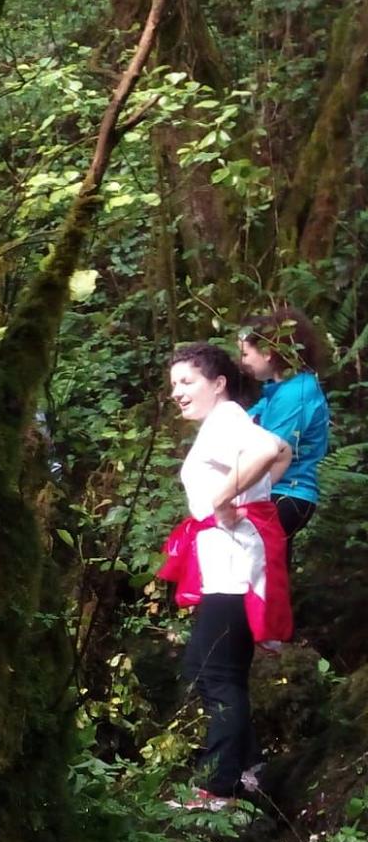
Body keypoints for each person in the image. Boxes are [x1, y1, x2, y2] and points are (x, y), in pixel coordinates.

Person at [156, 343, 293, 810]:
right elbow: (284, 451)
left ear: (218, 384)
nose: (177, 392)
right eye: (174, 384)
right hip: (228, 568)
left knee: (216, 676)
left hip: (233, 572)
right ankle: (247, 767)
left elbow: (270, 448)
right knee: (206, 669)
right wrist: (250, 492)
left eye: (187, 381)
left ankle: (217, 787)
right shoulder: (225, 422)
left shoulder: (228, 421)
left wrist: (222, 501)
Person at [240, 304, 331, 550]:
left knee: (261, 572)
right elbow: (241, 423)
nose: (242, 362)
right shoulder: (279, 391)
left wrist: (237, 494)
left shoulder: (295, 394)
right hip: (277, 493)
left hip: (287, 493)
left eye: (246, 354)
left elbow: (271, 450)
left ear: (268, 352)